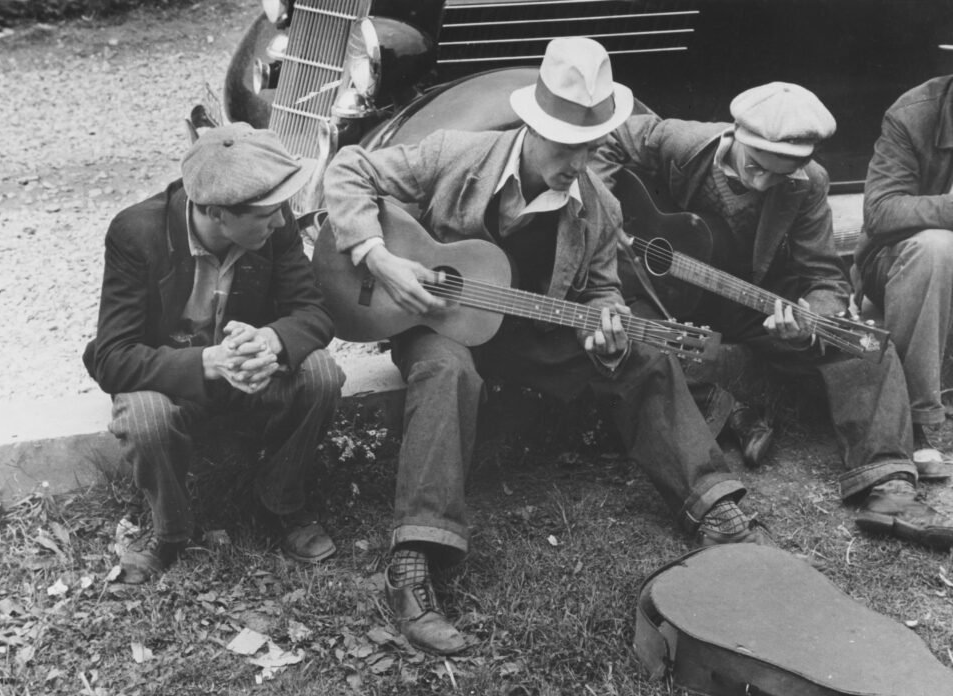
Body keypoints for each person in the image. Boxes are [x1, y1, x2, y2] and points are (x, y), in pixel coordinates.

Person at [323, 37, 767, 656]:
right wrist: (379, 257)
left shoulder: (600, 209)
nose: (579, 160)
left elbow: (603, 292)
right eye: (566, 144)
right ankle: (416, 558)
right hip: (443, 327)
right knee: (448, 372)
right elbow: (348, 168)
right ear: (532, 124)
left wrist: (607, 323)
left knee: (643, 351)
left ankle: (710, 502)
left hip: (533, 335)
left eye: (590, 146)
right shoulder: (457, 155)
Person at [590, 81, 953, 551]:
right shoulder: (679, 141)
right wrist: (606, 212)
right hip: (653, 290)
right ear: (735, 137)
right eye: (754, 167)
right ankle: (711, 497)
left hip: (746, 299)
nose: (762, 183)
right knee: (636, 353)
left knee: (861, 343)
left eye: (777, 177)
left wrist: (810, 317)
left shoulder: (810, 183)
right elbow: (602, 139)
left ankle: (888, 485)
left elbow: (824, 276)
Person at [83, 123, 345, 583]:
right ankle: (169, 532)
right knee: (144, 416)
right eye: (266, 216)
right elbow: (112, 357)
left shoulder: (272, 223)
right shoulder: (136, 233)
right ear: (218, 214)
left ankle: (281, 503)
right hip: (175, 382)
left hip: (251, 376)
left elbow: (313, 312)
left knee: (322, 373)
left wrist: (271, 342)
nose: (283, 223)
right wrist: (210, 361)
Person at [857, 75, 953, 480]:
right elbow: (880, 213)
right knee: (936, 247)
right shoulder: (913, 113)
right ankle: (915, 422)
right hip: (900, 261)